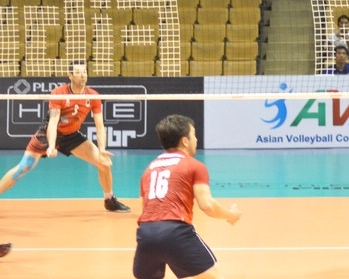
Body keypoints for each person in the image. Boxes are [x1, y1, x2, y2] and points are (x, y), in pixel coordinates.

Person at [0, 60, 130, 213]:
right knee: (23, 167)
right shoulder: (59, 93)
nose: (83, 75)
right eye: (78, 72)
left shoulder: (93, 96)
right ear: (70, 75)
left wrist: (102, 149)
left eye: (84, 72)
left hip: (71, 135)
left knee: (104, 164)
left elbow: (100, 126)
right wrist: (51, 145)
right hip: (47, 134)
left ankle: (109, 200)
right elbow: (53, 122)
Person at [133, 114, 241, 279]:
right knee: (212, 276)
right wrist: (230, 215)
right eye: (194, 135)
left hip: (146, 233)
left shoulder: (149, 169)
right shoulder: (194, 166)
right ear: (185, 141)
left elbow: (145, 209)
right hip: (175, 231)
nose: (196, 140)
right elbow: (207, 205)